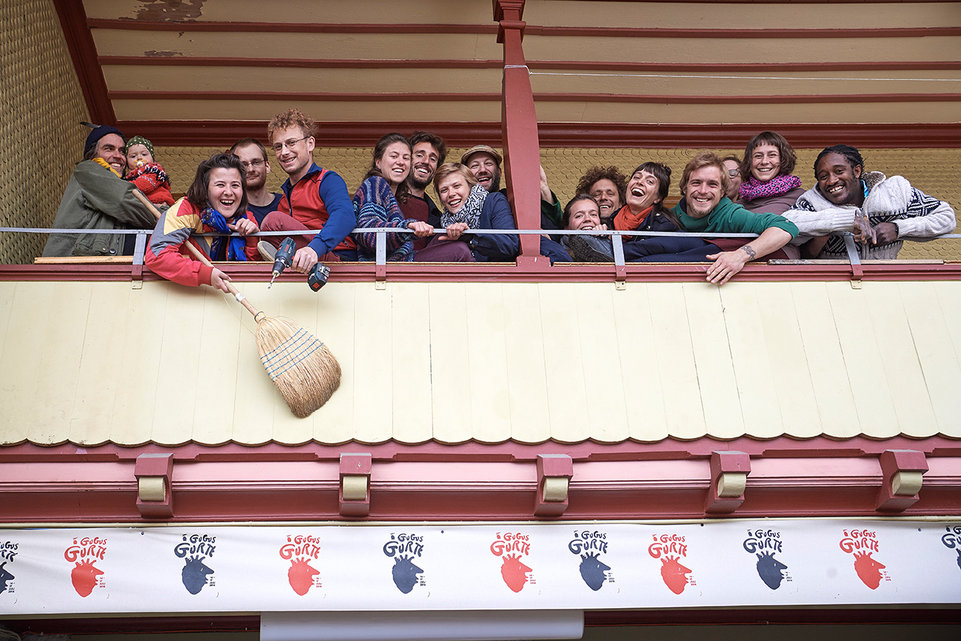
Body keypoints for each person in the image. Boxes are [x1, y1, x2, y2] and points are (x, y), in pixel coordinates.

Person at [783, 144, 956, 260]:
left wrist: (898, 228)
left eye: (839, 171)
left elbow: (946, 218)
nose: (831, 181)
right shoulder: (813, 201)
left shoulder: (895, 191)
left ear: (856, 171)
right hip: (833, 286)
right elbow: (786, 222)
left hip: (886, 283)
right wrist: (841, 221)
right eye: (823, 176)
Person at [672, 152, 799, 285]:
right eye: (696, 183)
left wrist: (739, 256)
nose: (703, 191)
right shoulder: (669, 216)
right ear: (685, 188)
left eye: (712, 184)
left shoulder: (730, 214)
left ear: (722, 192)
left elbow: (785, 227)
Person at [258, 108, 357, 272]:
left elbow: (345, 216)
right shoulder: (285, 197)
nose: (284, 152)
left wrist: (314, 249)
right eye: (278, 146)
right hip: (304, 264)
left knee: (273, 222)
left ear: (310, 143)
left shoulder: (327, 179)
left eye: (291, 143)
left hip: (336, 259)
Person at [145, 153, 260, 291]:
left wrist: (253, 238)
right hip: (188, 295)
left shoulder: (247, 219)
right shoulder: (186, 209)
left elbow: (254, 271)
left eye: (235, 185)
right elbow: (157, 255)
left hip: (234, 295)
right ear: (205, 189)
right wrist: (204, 274)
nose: (229, 192)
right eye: (220, 185)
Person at [353, 134, 472, 262]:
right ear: (378, 162)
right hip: (386, 265)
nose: (400, 162)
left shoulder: (433, 213)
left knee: (458, 247)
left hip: (406, 262)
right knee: (460, 250)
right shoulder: (375, 184)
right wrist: (408, 226)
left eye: (405, 158)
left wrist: (456, 233)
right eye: (394, 156)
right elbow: (370, 232)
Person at [43, 124, 156, 257]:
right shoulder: (87, 169)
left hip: (116, 267)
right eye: (109, 149)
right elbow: (122, 200)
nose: (118, 156)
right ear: (93, 153)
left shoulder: (124, 183)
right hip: (75, 266)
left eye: (122, 151)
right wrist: (169, 219)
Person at [567, 162, 715, 263]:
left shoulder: (664, 225)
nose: (639, 182)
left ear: (658, 198)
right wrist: (601, 234)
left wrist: (614, 247)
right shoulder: (610, 221)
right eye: (636, 177)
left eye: (650, 181)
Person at [461, 145, 570, 263]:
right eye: (475, 166)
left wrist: (543, 187)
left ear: (500, 172)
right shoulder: (459, 207)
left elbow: (555, 225)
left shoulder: (512, 198)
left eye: (488, 164)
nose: (482, 170)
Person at [433, 163, 518, 262]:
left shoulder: (493, 201)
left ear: (470, 186)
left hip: (496, 275)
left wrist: (471, 237)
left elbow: (510, 245)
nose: (451, 194)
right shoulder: (444, 222)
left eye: (457, 186)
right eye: (444, 190)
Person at [737, 132, 804, 216]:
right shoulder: (736, 206)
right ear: (749, 162)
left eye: (772, 155)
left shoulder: (801, 197)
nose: (764, 161)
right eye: (758, 156)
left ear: (783, 159)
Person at [400, 131, 444, 252]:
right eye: (419, 155)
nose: (426, 161)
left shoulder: (437, 216)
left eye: (433, 159)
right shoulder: (387, 198)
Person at [229, 138, 282, 225]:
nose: (250, 169)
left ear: (267, 166)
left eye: (256, 162)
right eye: (243, 165)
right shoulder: (230, 209)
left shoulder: (286, 203)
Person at [123, 135, 174, 206]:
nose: (139, 157)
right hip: (144, 206)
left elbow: (144, 185)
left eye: (144, 154)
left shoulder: (154, 170)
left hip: (160, 204)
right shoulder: (130, 177)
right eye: (133, 156)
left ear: (152, 158)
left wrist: (122, 186)